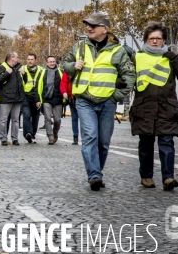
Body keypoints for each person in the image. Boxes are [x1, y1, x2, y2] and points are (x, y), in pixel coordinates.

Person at [63, 12, 135, 190]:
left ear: (105, 29)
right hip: (84, 100)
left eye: (93, 25)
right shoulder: (79, 47)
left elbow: (129, 75)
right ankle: (94, 175)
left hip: (107, 102)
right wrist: (73, 66)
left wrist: (116, 96)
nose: (89, 28)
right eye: (88, 25)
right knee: (90, 137)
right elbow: (65, 65)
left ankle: (97, 172)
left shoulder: (118, 51)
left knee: (103, 141)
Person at [130, 22, 178, 191]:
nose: (155, 41)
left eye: (159, 38)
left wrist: (174, 57)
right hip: (144, 107)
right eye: (152, 38)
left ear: (164, 40)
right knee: (146, 144)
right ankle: (146, 176)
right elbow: (127, 79)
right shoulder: (137, 57)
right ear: (146, 40)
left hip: (166, 107)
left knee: (166, 143)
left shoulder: (171, 58)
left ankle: (168, 177)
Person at [0, 52, 25, 146]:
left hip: (17, 98)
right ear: (11, 58)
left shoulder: (18, 68)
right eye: (17, 57)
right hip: (6, 98)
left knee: (16, 120)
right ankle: (3, 139)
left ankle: (15, 139)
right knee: (3, 120)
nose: (18, 58)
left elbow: (24, 82)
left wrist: (24, 75)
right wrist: (7, 73)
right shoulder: (2, 68)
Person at [36, 56, 64, 145]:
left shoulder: (60, 72)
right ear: (47, 63)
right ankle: (50, 137)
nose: (52, 63)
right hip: (46, 99)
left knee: (57, 120)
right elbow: (38, 87)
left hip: (58, 99)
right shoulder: (42, 73)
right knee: (47, 118)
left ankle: (55, 132)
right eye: (50, 62)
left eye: (53, 61)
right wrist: (38, 100)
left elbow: (64, 85)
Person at [21, 53, 42, 143]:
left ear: (35, 60)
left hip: (37, 97)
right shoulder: (22, 69)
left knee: (35, 118)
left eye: (31, 59)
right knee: (26, 115)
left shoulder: (41, 70)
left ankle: (32, 135)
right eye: (28, 59)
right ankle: (28, 133)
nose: (30, 61)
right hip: (26, 96)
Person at [60, 72, 79, 145]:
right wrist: (64, 92)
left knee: (84, 118)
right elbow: (64, 82)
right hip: (72, 97)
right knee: (74, 117)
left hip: (82, 97)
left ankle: (86, 136)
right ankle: (75, 136)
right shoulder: (68, 70)